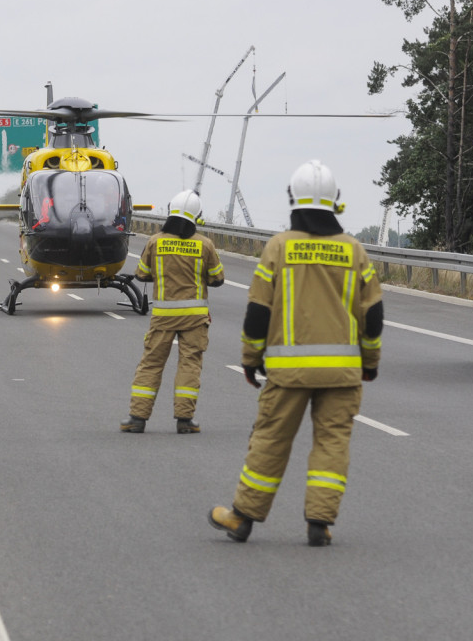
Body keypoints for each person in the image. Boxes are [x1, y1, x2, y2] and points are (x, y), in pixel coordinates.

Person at [208, 160, 383, 546]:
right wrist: (369, 363)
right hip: (342, 375)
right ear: (336, 202)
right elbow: (372, 316)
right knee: (332, 444)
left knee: (270, 440)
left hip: (287, 374)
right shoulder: (354, 251)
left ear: (292, 199)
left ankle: (243, 518)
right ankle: (319, 524)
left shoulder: (279, 248)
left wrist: (251, 359)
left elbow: (258, 312)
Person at [121, 190, 225, 433]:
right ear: (197, 217)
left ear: (170, 212)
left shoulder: (156, 241)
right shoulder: (205, 245)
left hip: (163, 318)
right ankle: (185, 420)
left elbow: (142, 274)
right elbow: (217, 278)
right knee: (190, 366)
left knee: (151, 364)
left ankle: (137, 419)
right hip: (195, 320)